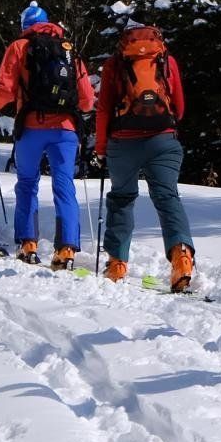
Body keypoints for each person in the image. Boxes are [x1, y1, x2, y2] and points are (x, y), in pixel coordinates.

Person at [0, 3, 95, 268]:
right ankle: (66, 249)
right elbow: (87, 100)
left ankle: (28, 243)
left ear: (24, 26)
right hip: (65, 130)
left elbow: (5, 91)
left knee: (28, 183)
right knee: (64, 186)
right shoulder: (68, 50)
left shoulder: (19, 47)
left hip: (31, 128)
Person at [93, 21, 196, 291]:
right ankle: (182, 257)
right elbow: (181, 106)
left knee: (122, 199)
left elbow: (104, 108)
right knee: (167, 197)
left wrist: (101, 148)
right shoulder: (166, 60)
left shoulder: (115, 64)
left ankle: (117, 264)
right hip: (163, 139)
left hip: (123, 143)